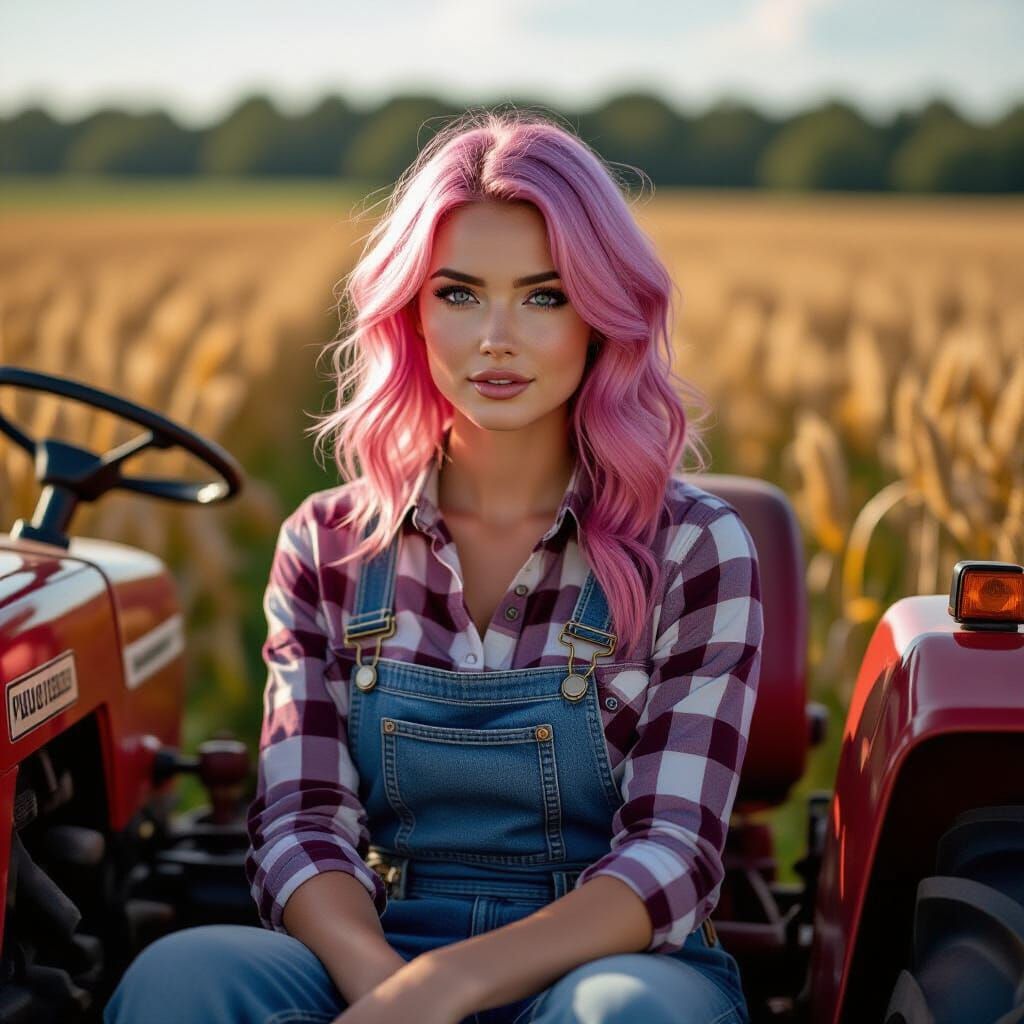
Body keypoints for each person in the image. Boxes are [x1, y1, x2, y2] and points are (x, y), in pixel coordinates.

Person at [104, 107, 763, 1024]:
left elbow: (672, 856)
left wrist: (444, 990)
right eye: (458, 293)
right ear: (409, 310)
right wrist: (389, 989)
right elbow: (302, 826)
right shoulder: (329, 543)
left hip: (606, 963)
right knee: (183, 978)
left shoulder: (693, 545)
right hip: (379, 946)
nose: (498, 336)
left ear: (604, 314)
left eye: (545, 295)